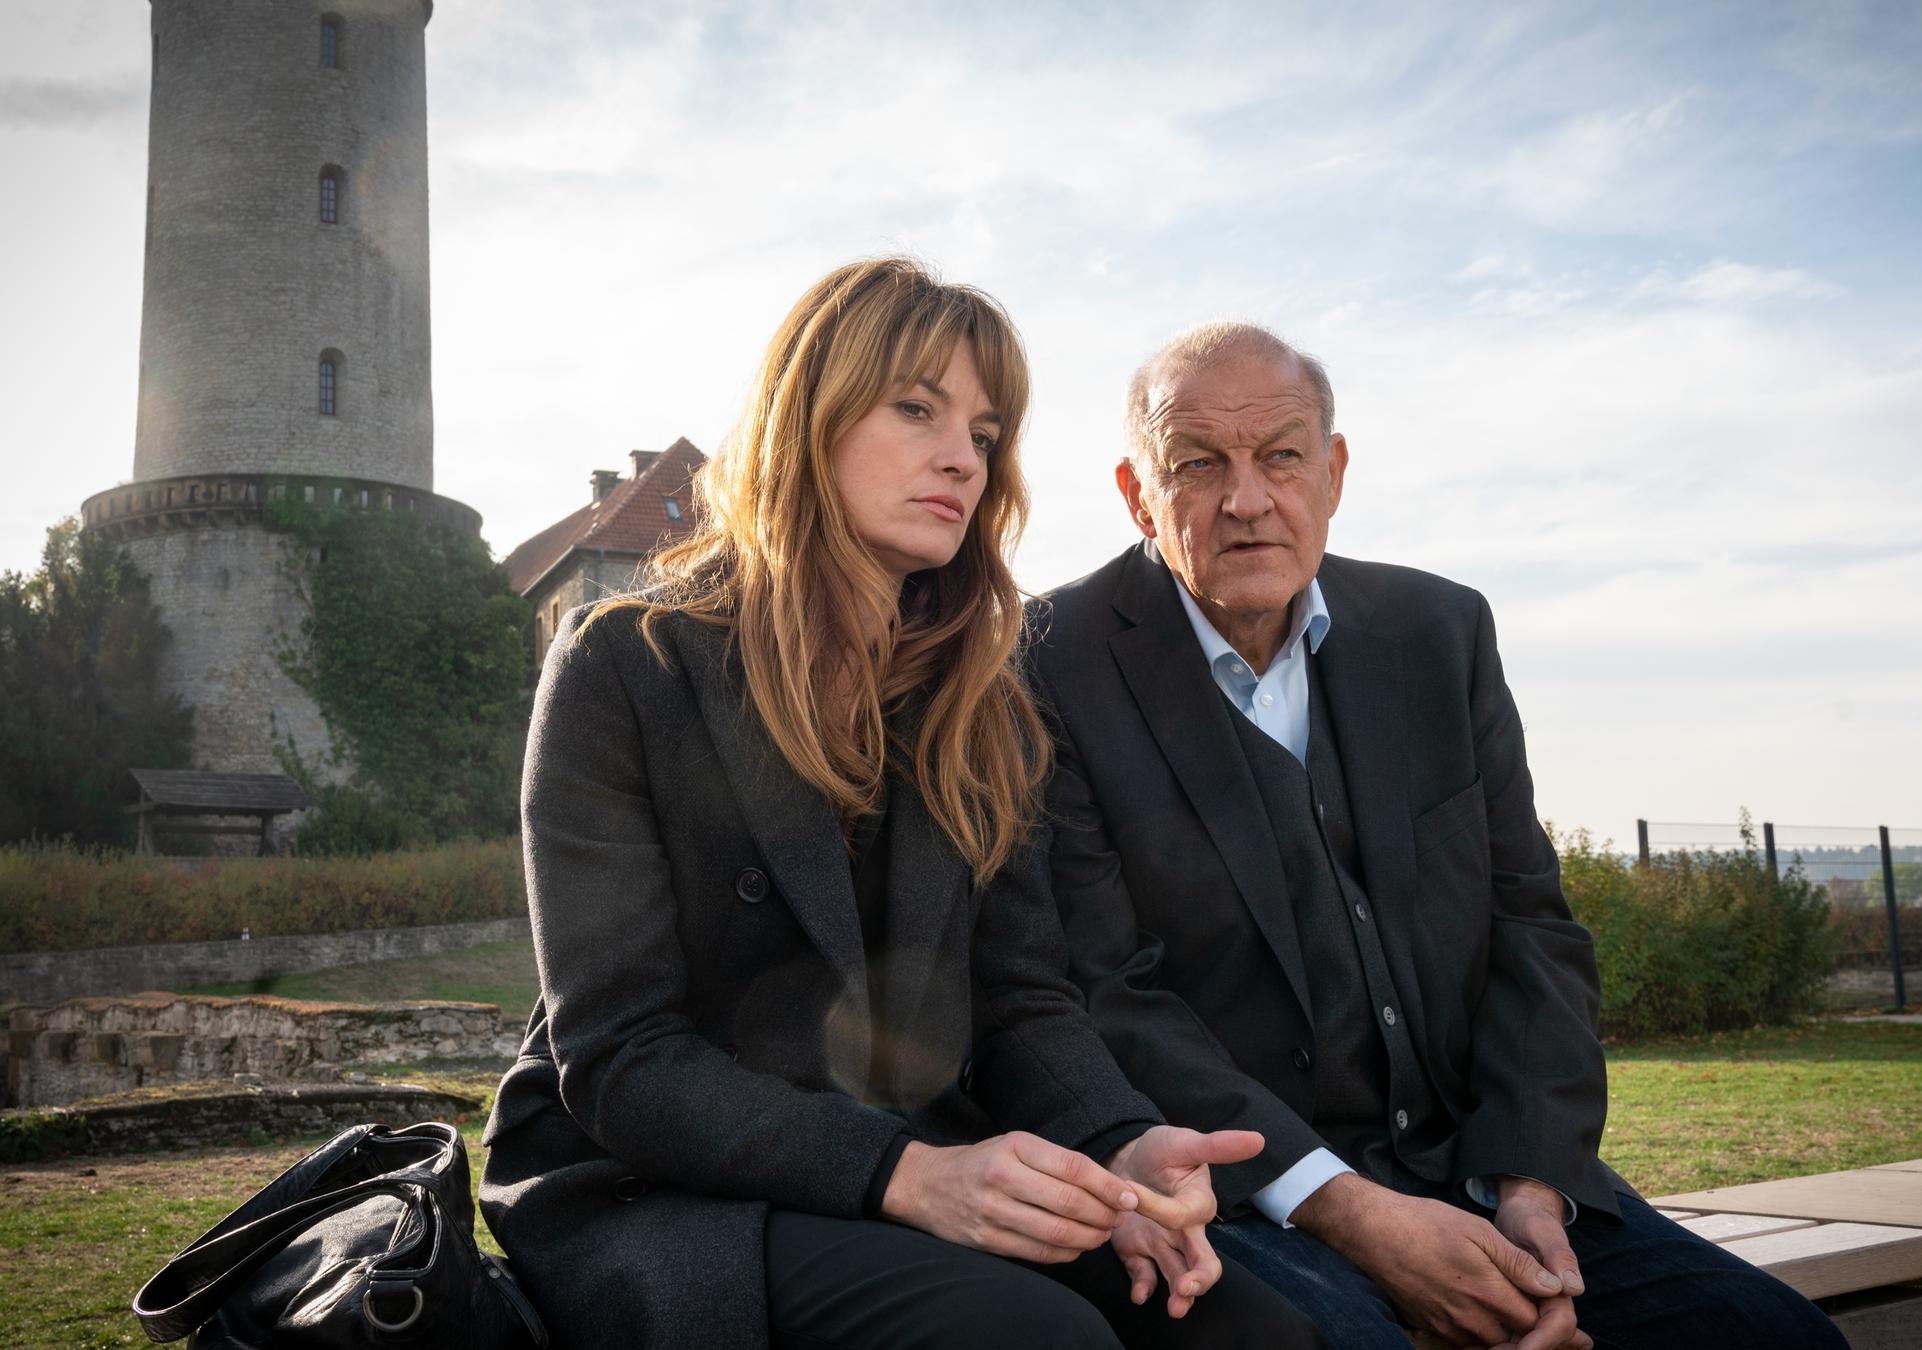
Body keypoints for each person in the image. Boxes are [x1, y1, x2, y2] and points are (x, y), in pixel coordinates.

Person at [478, 262, 1323, 1350]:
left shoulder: (981, 699)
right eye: (918, 409)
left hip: (923, 1156)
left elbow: (1020, 1003)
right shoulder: (630, 664)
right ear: (810, 420)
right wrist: (905, 1174)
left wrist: (1117, 1146)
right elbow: (622, 1055)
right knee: (1030, 1339)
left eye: (984, 431)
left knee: (1253, 1334)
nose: (962, 458)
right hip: (670, 1187)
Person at [1027, 322, 1850, 1350]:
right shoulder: (1048, 665)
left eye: (1281, 456)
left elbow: (1529, 926)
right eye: (1198, 464)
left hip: (1483, 1168)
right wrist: (1351, 1210)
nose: (1246, 500)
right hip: (1249, 1197)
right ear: (1135, 493)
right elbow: (1106, 989)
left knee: (1774, 1338)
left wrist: (1531, 1191)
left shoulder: (1439, 631)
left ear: (1333, 472)